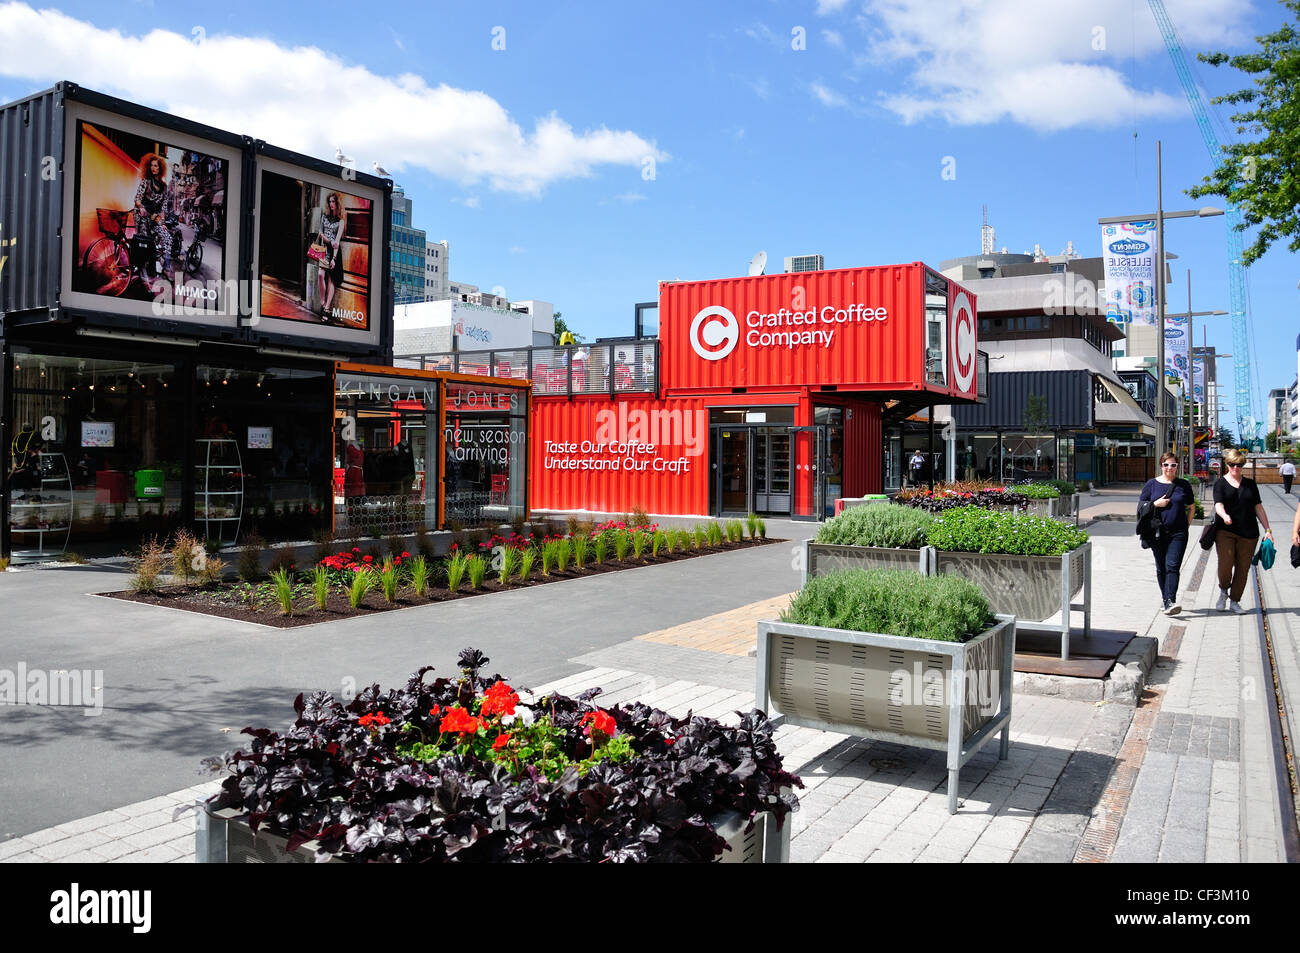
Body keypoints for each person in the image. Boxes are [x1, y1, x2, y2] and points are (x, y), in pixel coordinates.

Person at [1212, 448, 1273, 613]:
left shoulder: (1250, 484)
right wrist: (1224, 515)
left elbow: (1258, 507)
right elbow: (1218, 504)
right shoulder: (1220, 483)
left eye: (1239, 465)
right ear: (1227, 464)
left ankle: (1235, 601)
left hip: (1248, 533)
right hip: (1226, 531)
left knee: (1243, 568)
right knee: (1225, 564)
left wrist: (1268, 530)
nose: (1235, 468)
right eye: (1232, 464)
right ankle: (1223, 590)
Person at [1139, 452, 1194, 615]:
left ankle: (1170, 600)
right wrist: (1156, 503)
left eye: (1173, 465)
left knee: (1173, 566)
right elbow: (1141, 506)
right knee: (1161, 567)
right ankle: (1166, 601)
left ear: (1177, 467)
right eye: (1166, 464)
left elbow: (1191, 507)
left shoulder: (1183, 485)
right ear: (1161, 466)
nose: (1169, 468)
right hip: (1157, 533)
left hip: (1178, 533)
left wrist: (1186, 526)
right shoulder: (1151, 484)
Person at [134, 152, 176, 284]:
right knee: (146, 243)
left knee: (168, 238)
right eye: (151, 165)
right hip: (142, 215)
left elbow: (162, 208)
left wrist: (162, 223)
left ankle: (166, 267)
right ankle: (143, 269)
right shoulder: (145, 182)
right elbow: (137, 199)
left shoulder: (164, 187)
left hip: (154, 217)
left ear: (160, 168)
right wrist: (141, 207)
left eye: (156, 166)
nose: (153, 168)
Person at [314, 192, 345, 319]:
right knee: (321, 275)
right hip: (324, 248)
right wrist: (328, 241)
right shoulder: (324, 217)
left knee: (331, 280)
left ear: (337, 203)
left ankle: (326, 308)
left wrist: (334, 259)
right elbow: (320, 232)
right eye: (330, 201)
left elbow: (337, 241)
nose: (331, 204)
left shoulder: (341, 221)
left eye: (334, 202)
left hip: (334, 252)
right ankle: (322, 303)